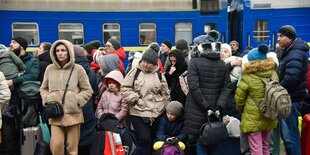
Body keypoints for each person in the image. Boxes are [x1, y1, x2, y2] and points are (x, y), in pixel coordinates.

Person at [40, 40, 93, 155]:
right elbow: (43, 88)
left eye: (63, 50)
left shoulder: (78, 69)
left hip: (73, 114)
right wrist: (47, 99)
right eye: (57, 51)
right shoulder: (50, 69)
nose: (60, 53)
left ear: (69, 52)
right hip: (55, 114)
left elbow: (88, 90)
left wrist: (76, 101)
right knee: (57, 145)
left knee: (72, 149)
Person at [121, 46, 170, 155]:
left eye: (148, 62)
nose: (145, 64)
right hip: (138, 111)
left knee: (153, 140)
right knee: (145, 138)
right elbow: (124, 88)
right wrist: (135, 98)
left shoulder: (159, 75)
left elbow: (166, 93)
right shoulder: (135, 72)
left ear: (154, 64)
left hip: (157, 112)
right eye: (143, 61)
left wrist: (166, 110)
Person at [184, 40, 231, 155]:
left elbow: (194, 88)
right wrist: (219, 106)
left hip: (197, 110)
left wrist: (206, 107)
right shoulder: (222, 64)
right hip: (217, 111)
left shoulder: (194, 62)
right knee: (215, 140)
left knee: (201, 142)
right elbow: (227, 87)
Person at [235, 44, 278, 155]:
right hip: (269, 114)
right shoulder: (273, 74)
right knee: (266, 146)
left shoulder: (248, 77)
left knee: (255, 147)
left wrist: (241, 110)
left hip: (252, 116)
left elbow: (239, 99)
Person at [0, 36, 40, 154]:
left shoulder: (32, 61)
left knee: (24, 131)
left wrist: (13, 81)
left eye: (14, 42)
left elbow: (32, 76)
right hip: (7, 100)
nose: (10, 45)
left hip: (25, 103)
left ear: (22, 46)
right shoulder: (6, 59)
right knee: (8, 132)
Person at [276, 25, 309, 155]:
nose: (278, 39)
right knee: (288, 135)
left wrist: (277, 90)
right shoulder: (290, 50)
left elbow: (291, 78)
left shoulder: (294, 53)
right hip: (289, 97)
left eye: (281, 36)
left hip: (290, 99)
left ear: (289, 37)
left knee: (290, 136)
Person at [73, 45, 98, 155]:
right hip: (88, 109)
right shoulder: (91, 72)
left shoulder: (72, 71)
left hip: (73, 110)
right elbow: (95, 91)